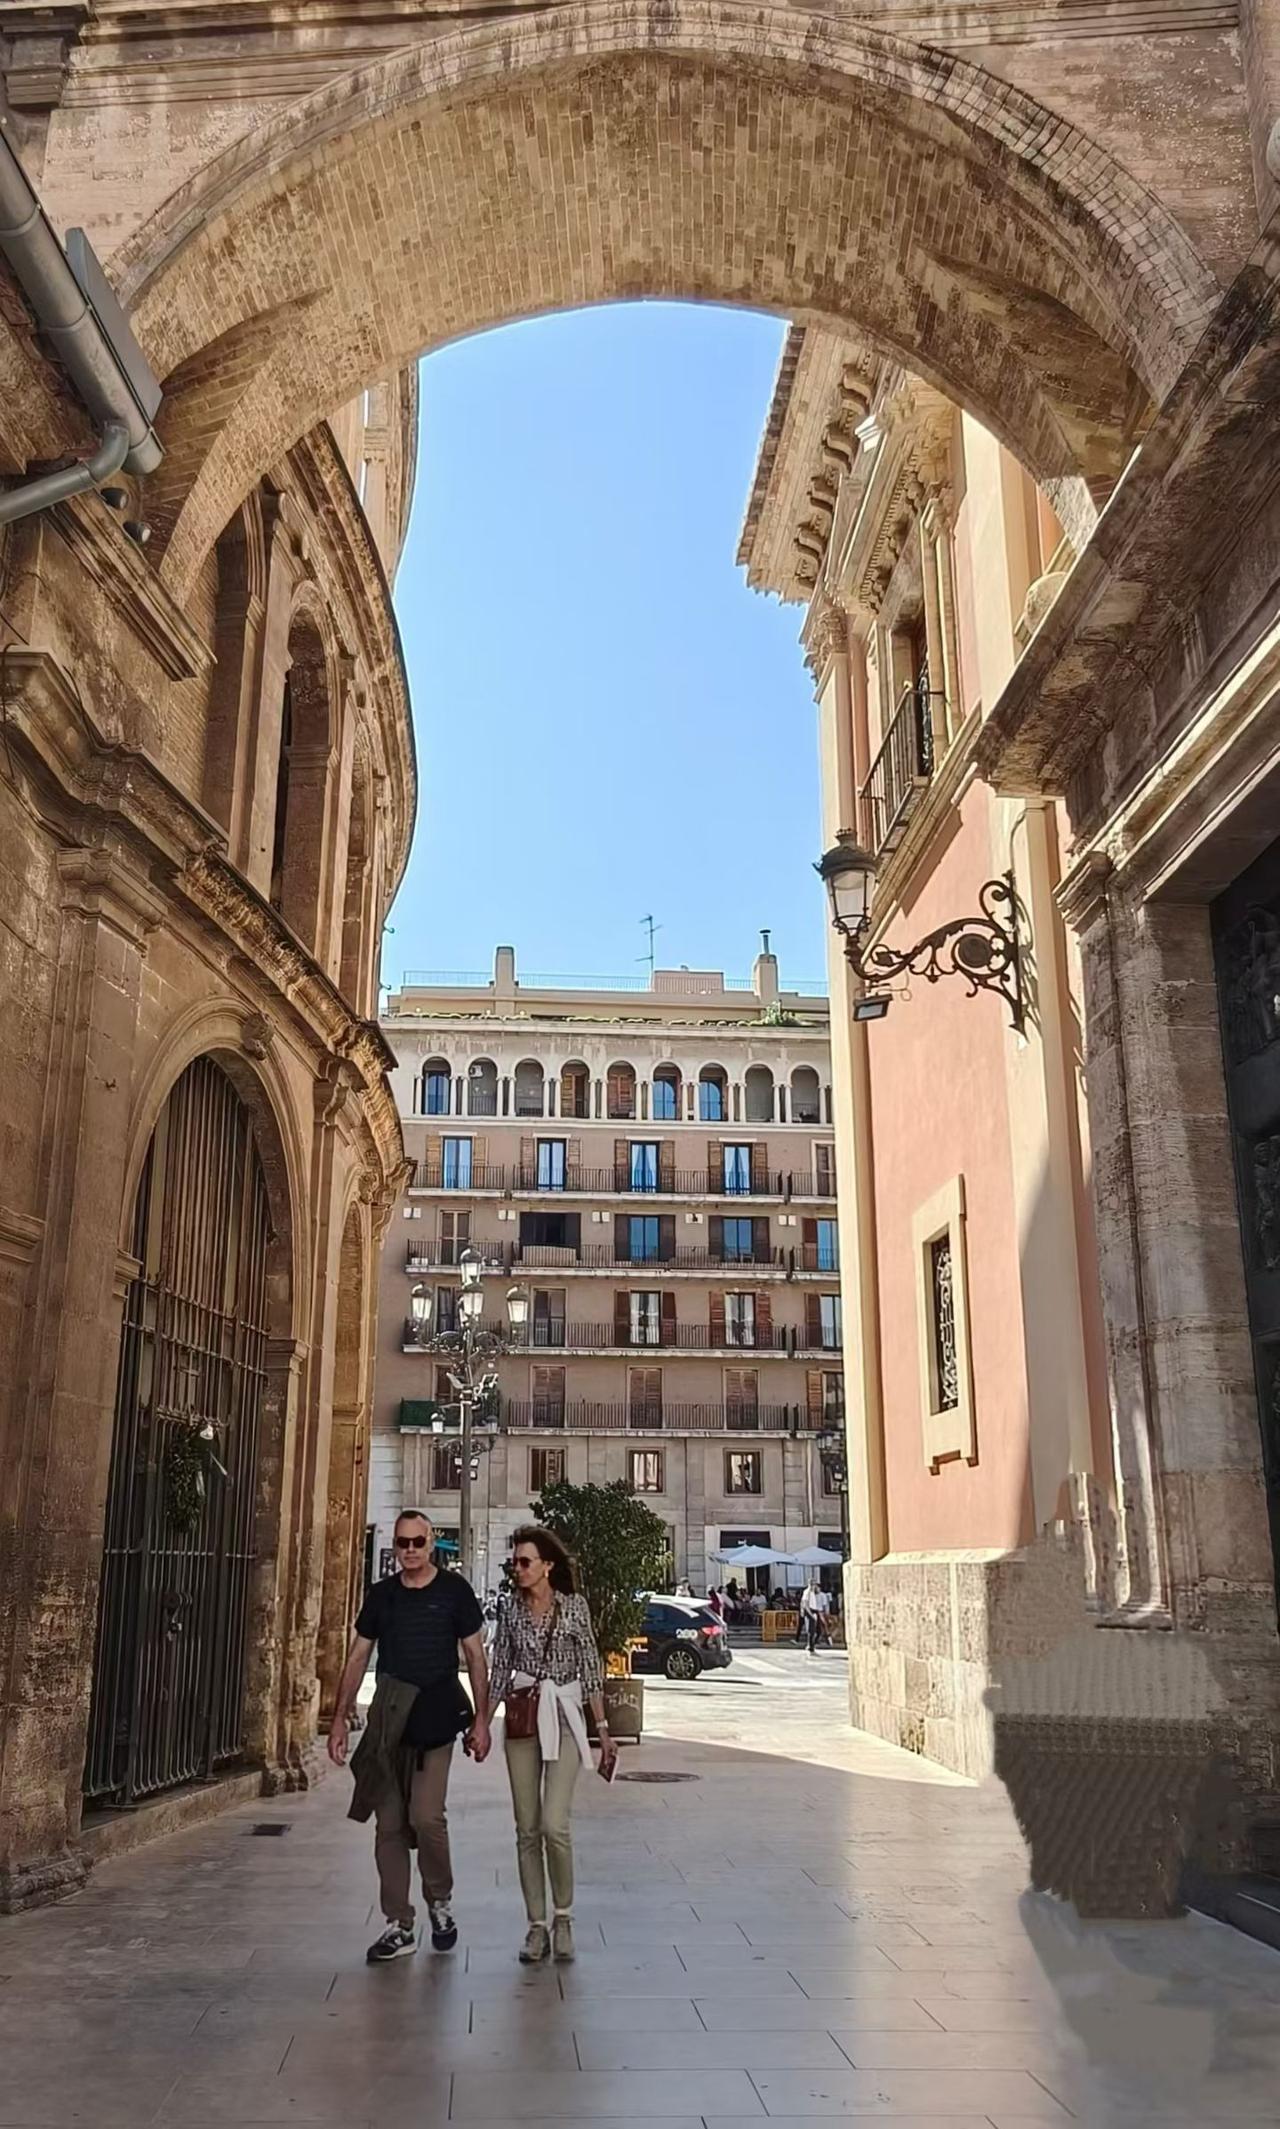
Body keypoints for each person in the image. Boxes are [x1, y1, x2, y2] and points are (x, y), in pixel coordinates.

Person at [328, 1508, 490, 1964]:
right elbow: (358, 1656)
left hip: (436, 1720)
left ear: (431, 1542)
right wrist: (340, 1716)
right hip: (388, 1722)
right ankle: (399, 1923)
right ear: (395, 1546)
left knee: (427, 1817)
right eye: (403, 1543)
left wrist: (481, 1720)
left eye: (419, 1542)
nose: (411, 1550)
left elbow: (475, 1656)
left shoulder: (454, 1591)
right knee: (390, 1826)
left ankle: (439, 1901)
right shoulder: (382, 1596)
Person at [489, 1524, 616, 1966]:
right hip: (523, 1721)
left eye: (525, 1562)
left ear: (547, 1566)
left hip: (563, 1717)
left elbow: (590, 1667)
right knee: (526, 1828)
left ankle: (563, 1916)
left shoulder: (573, 1606)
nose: (518, 1569)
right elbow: (500, 1669)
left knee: (553, 1824)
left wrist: (603, 1729)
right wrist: (482, 1723)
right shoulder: (509, 1609)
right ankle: (536, 1925)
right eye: (514, 1563)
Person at [800, 1578, 823, 1655]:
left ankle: (813, 1644)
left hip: (814, 1610)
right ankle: (811, 1647)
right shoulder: (807, 1592)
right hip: (810, 1610)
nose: (814, 1586)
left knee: (818, 1630)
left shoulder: (813, 1592)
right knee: (811, 1630)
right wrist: (810, 1614)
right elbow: (805, 1603)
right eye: (812, 1584)